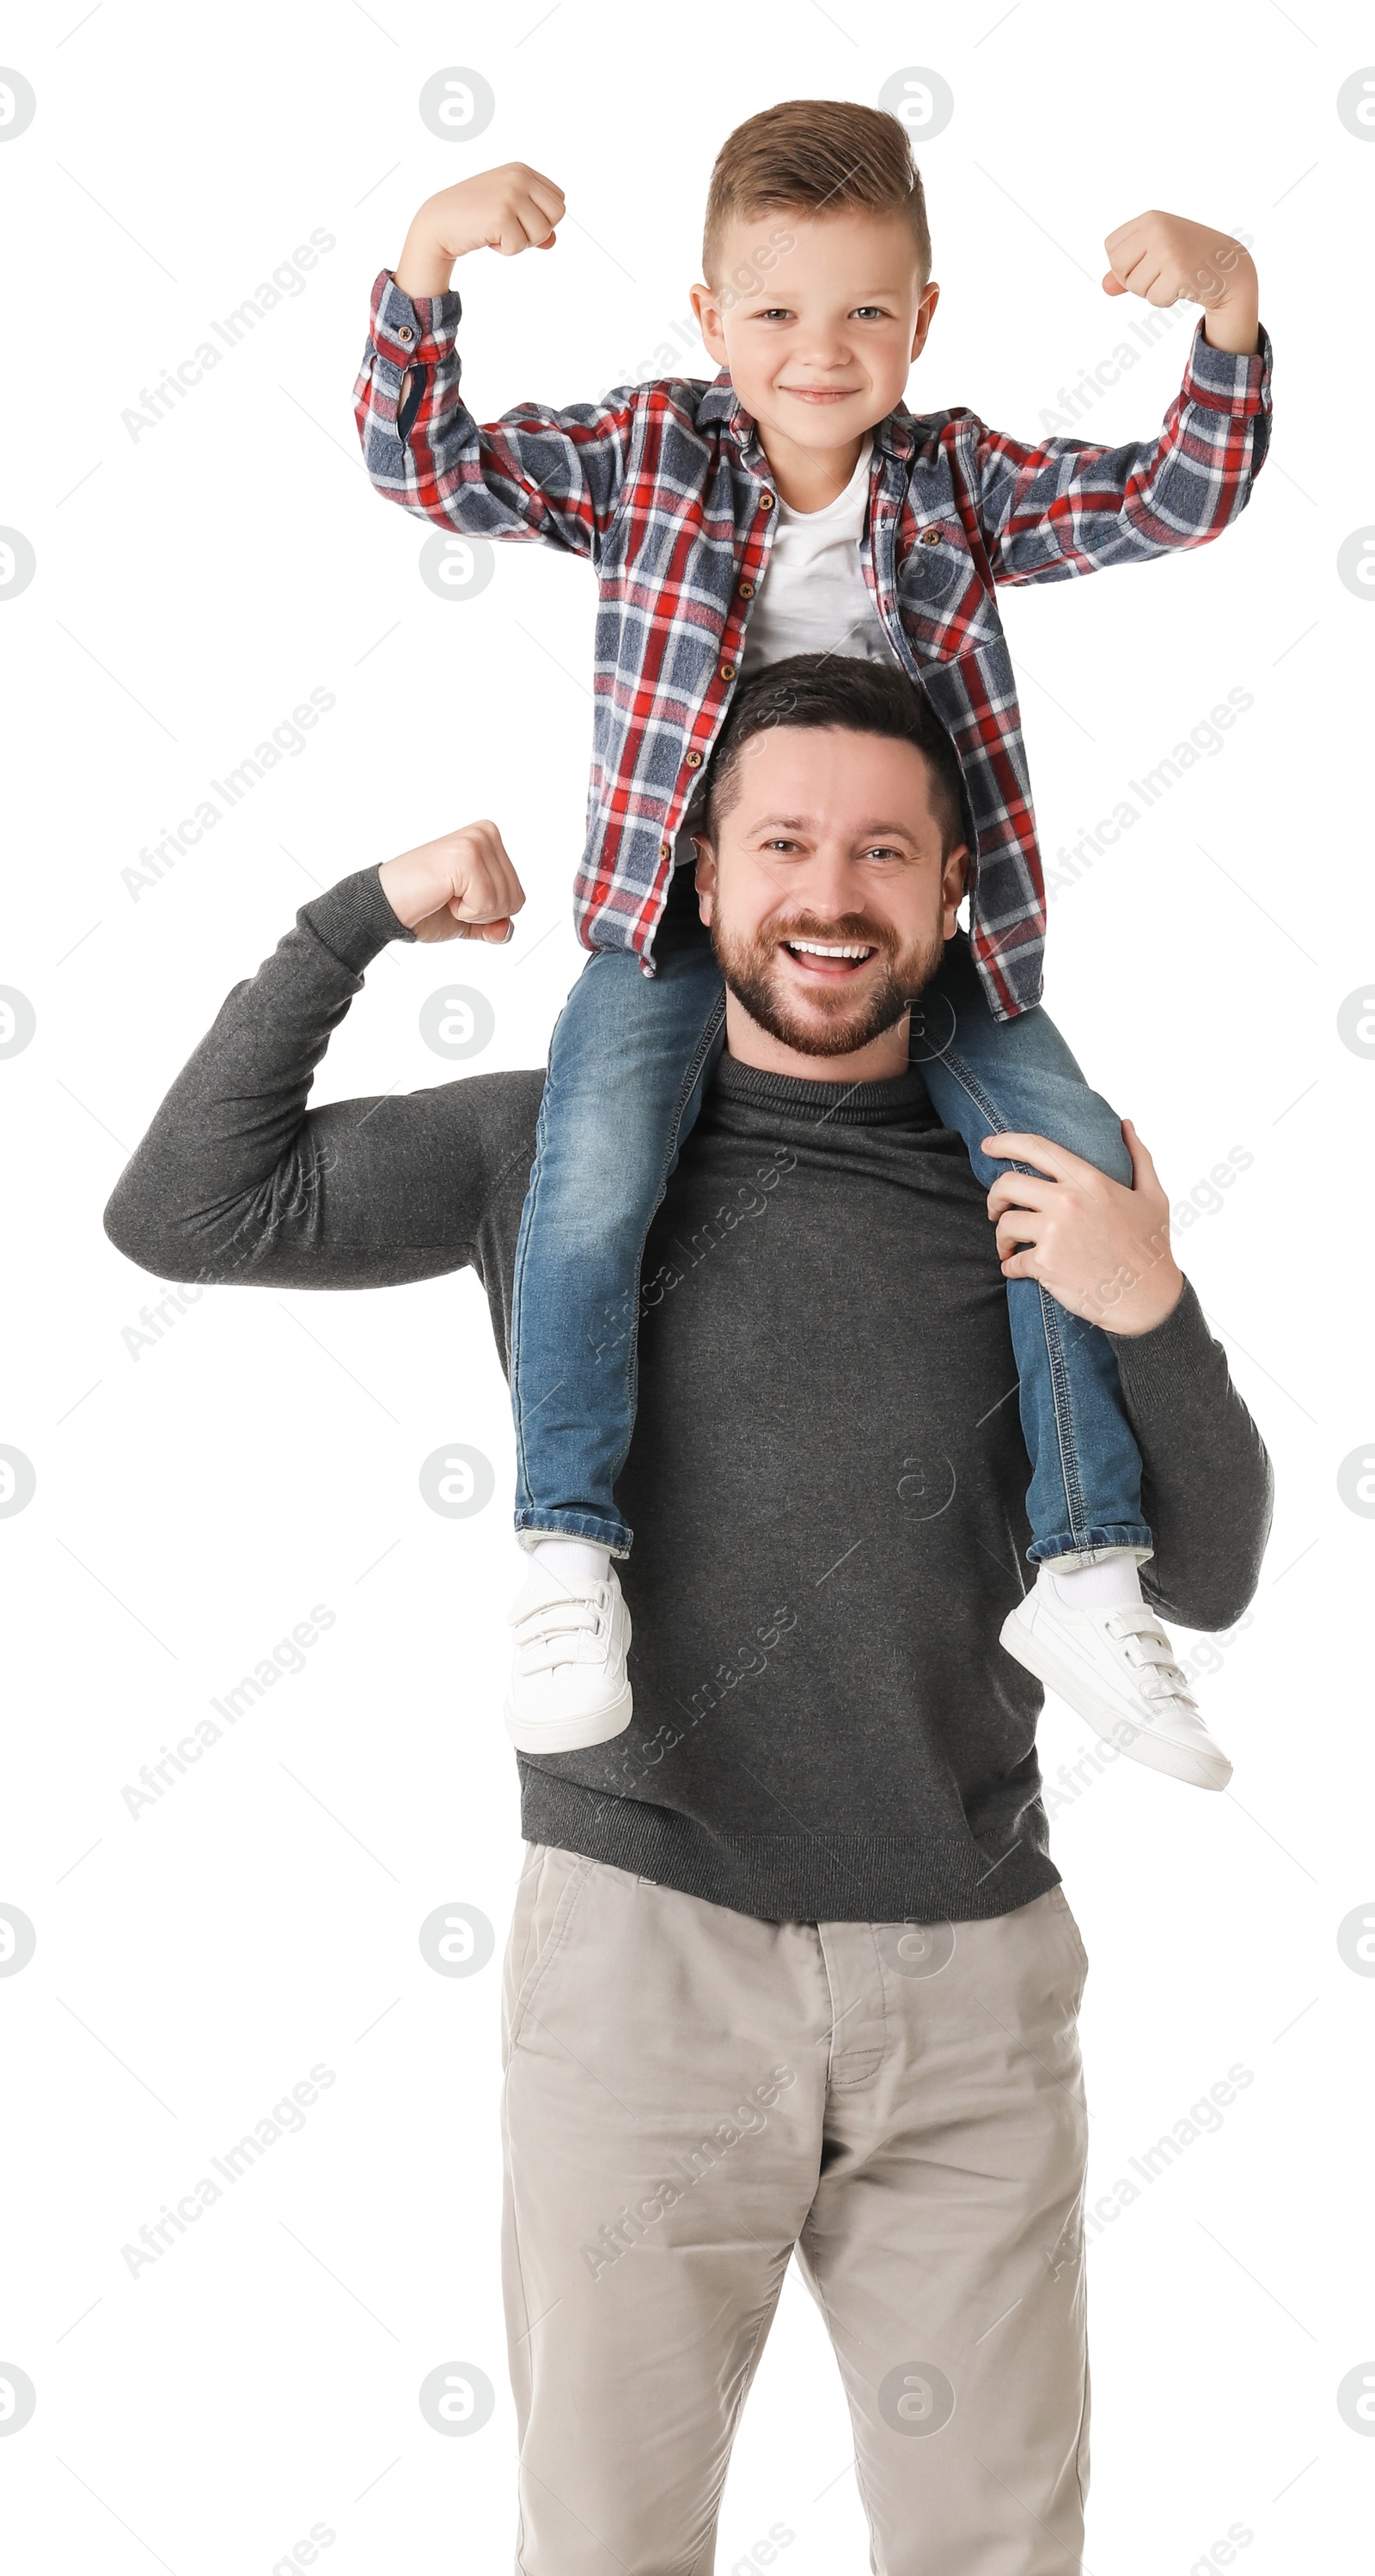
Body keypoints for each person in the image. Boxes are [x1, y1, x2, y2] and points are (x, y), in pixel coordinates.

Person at [104, 669, 1272, 2576]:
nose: (833, 897)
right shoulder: (558, 1155)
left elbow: (1193, 1573)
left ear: (957, 891)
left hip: (976, 1989)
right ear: (698, 867)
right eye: (783, 845)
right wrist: (356, 916)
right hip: (645, 1969)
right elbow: (186, 1207)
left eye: (886, 850)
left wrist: (1154, 1298)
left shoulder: (1024, 1163)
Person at [352, 96, 1271, 1773]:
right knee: (589, 1174)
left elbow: (1166, 499)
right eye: (773, 311)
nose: (818, 350)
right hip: (675, 922)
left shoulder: (957, 484)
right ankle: (568, 1545)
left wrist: (1224, 311)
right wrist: (424, 260)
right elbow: (433, 463)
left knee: (1061, 1167)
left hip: (918, 938)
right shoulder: (648, 455)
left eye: (863, 310)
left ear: (919, 320)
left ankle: (1080, 1564)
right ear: (708, 324)